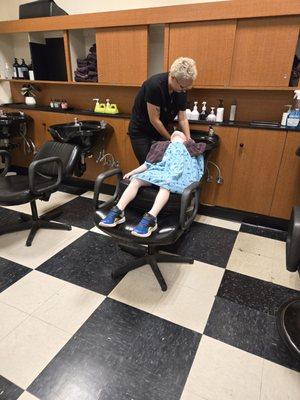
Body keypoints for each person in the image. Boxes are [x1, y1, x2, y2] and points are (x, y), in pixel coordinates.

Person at [99, 131, 205, 237]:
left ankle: (151, 218)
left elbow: (197, 169)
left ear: (185, 140)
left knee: (165, 186)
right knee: (136, 180)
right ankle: (118, 211)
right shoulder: (162, 147)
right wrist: (133, 172)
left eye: (180, 135)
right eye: (174, 134)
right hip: (159, 172)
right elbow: (147, 165)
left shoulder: (191, 149)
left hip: (176, 176)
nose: (177, 134)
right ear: (170, 140)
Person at [128, 57, 197, 165]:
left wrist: (189, 140)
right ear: (173, 77)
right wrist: (172, 139)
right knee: (149, 165)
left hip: (160, 130)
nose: (184, 90)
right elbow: (154, 120)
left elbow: (182, 118)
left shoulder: (181, 88)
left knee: (166, 164)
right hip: (141, 132)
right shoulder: (155, 86)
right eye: (183, 87)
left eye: (187, 88)